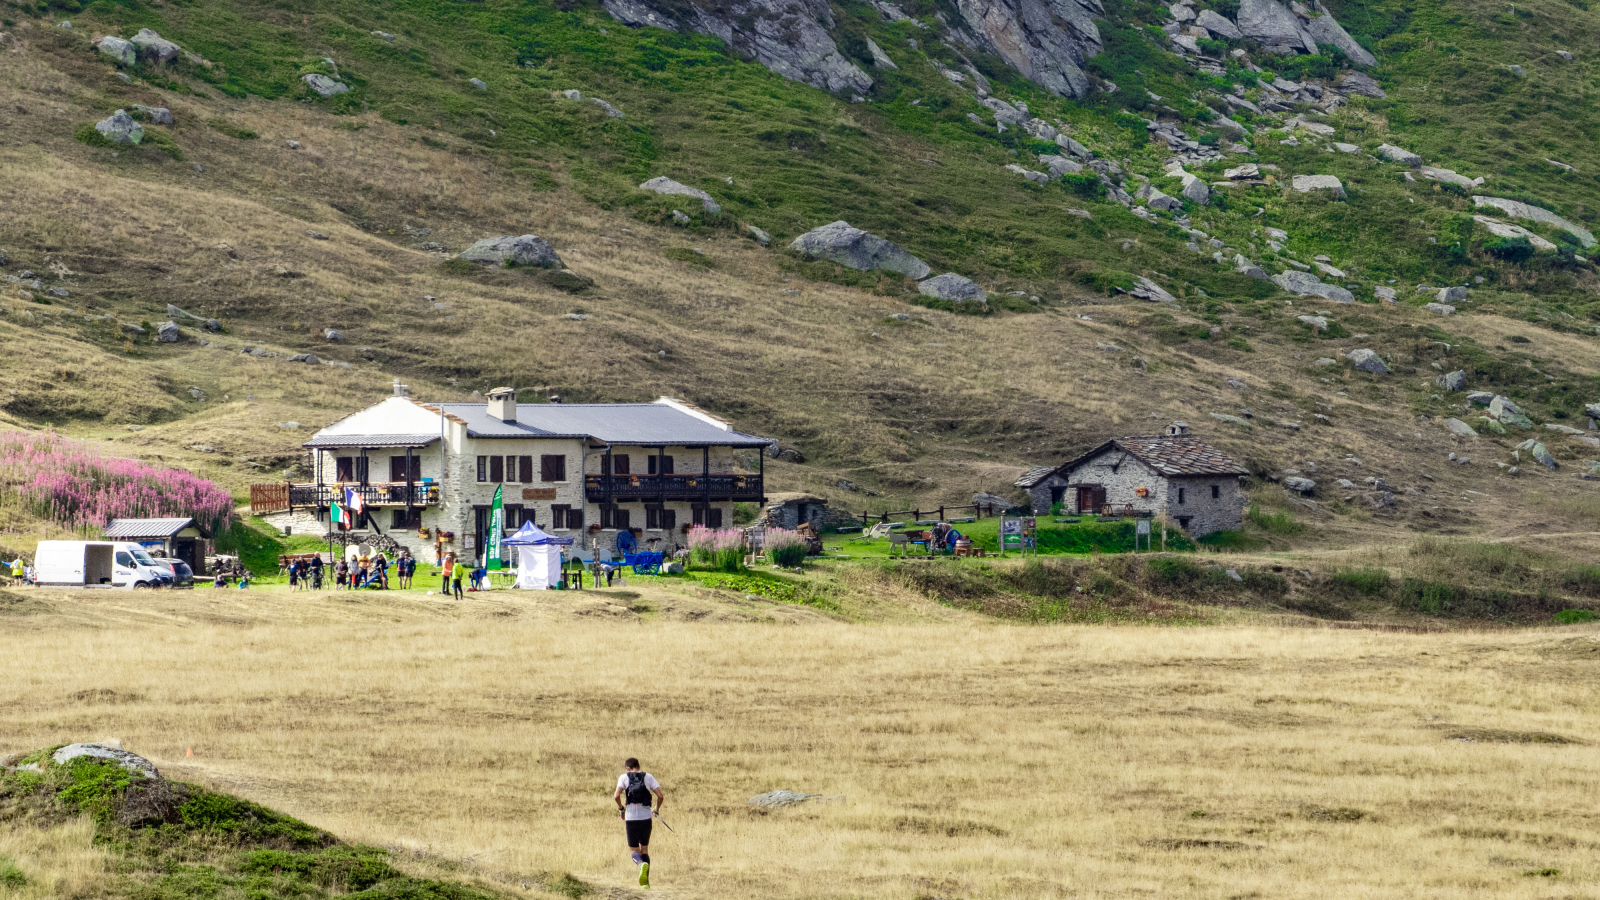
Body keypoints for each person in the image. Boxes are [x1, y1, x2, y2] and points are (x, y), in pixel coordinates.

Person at [612, 758, 664, 889]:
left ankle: (640, 865)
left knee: (634, 850)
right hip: (646, 818)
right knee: (644, 849)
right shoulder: (649, 777)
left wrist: (621, 809)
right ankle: (645, 883)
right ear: (639, 766)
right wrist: (656, 810)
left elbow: (616, 796)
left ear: (628, 768)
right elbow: (660, 796)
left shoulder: (624, 777)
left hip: (631, 818)